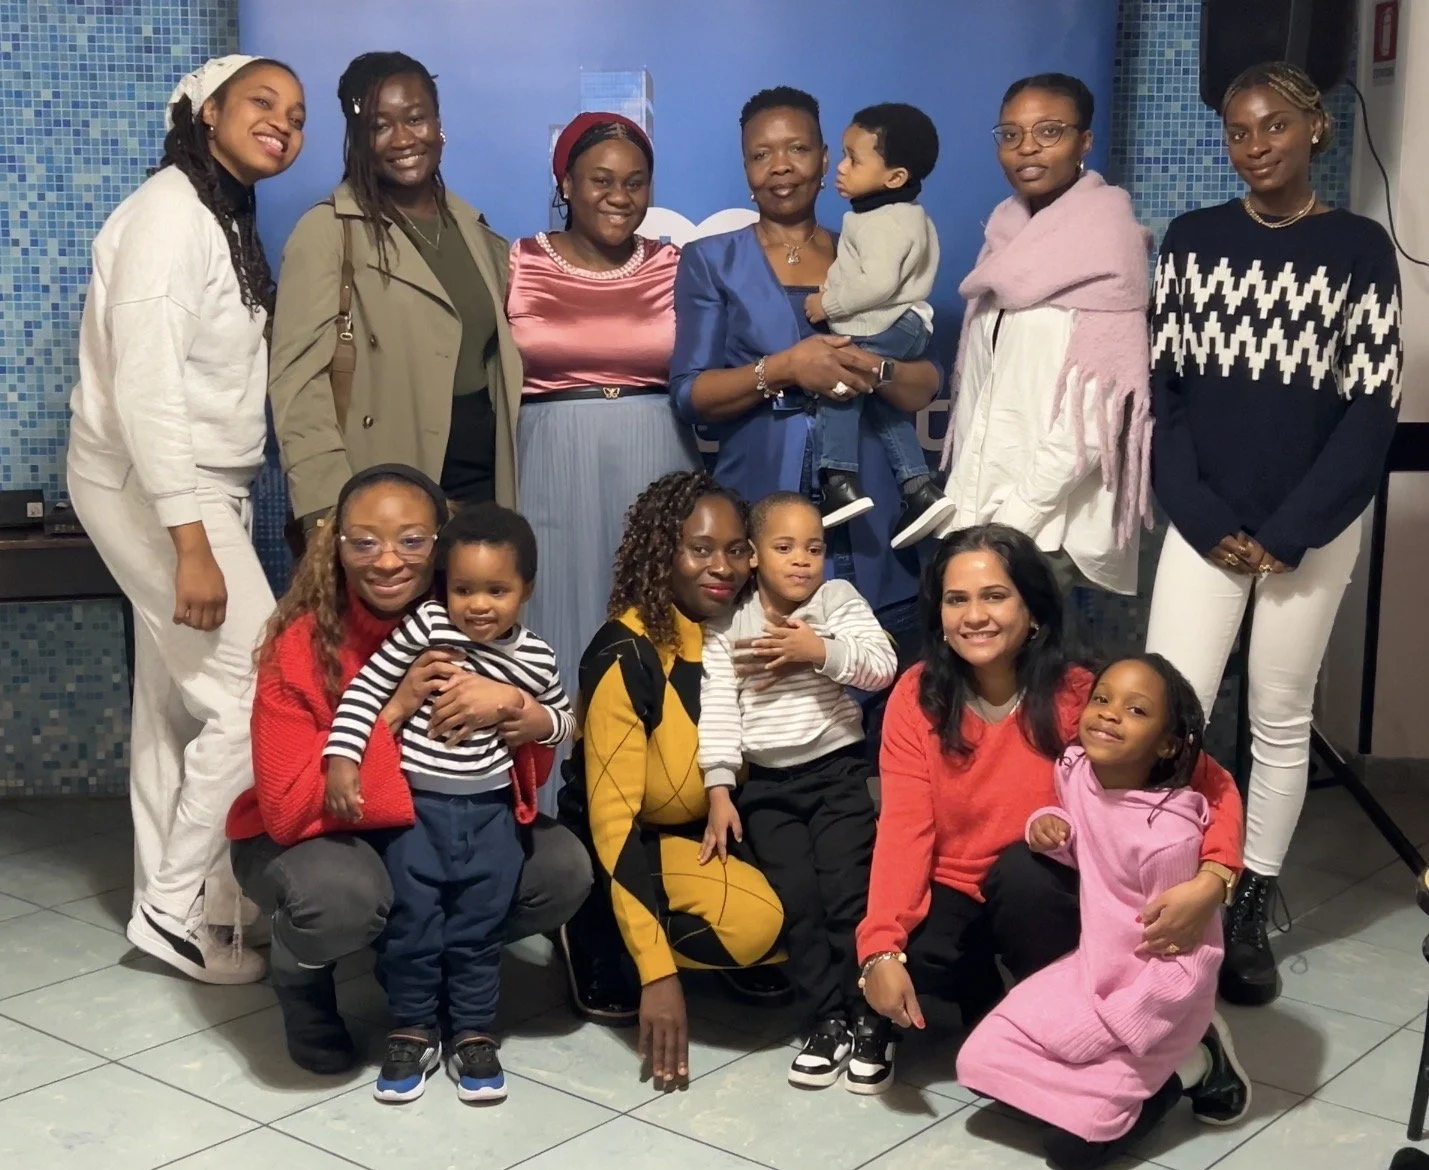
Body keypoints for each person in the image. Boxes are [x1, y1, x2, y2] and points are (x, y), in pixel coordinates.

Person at [1145, 61, 1402, 1008]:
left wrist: (1289, 532)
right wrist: (1208, 521)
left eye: (1272, 128)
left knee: (1278, 720)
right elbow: (1165, 397)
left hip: (1312, 529)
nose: (1254, 147)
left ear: (1313, 131)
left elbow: (1371, 409)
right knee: (1169, 709)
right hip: (1206, 523)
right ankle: (1162, 886)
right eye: (1238, 132)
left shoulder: (1358, 247)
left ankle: (1246, 905)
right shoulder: (1191, 238)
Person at [856, 524, 1246, 1127]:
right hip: (957, 886)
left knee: (1024, 871)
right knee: (918, 956)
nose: (974, 616)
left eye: (994, 596)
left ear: (1033, 610)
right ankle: (1002, 1003)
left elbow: (1212, 783)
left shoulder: (1084, 697)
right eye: (956, 600)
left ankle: (1180, 1046)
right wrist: (880, 946)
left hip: (1051, 890)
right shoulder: (917, 694)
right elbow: (904, 827)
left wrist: (1215, 877)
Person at [66, 55, 306, 984]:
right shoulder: (169, 214)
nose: (282, 122)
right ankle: (171, 908)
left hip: (198, 487)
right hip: (158, 486)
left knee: (171, 708)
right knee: (255, 693)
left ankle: (198, 901)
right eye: (261, 103)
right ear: (207, 114)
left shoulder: (218, 213)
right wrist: (190, 541)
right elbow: (149, 390)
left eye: (293, 113)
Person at [227, 465, 592, 1075]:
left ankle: (445, 967)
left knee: (561, 869)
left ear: (442, 546)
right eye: (364, 541)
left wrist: (518, 709)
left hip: (437, 817)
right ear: (334, 544)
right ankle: (304, 980)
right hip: (314, 833)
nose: (388, 560)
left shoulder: (473, 619)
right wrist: (395, 708)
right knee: (340, 899)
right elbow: (290, 807)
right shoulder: (301, 643)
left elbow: (526, 764)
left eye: (413, 540)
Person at [670, 86, 944, 655]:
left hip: (866, 491)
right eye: (760, 154)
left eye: (797, 148)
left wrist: (877, 369)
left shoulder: (870, 254)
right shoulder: (711, 259)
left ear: (825, 158)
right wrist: (788, 367)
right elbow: (691, 394)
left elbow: (926, 383)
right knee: (759, 676)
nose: (780, 167)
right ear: (745, 168)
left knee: (875, 666)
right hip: (760, 483)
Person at [320, 502, 572, 1104]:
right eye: (463, 588)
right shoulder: (427, 628)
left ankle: (474, 1034)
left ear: (526, 590)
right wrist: (342, 757)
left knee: (478, 931)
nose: (477, 604)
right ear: (443, 587)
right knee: (413, 926)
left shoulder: (535, 656)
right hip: (416, 813)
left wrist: (530, 715)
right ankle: (411, 1030)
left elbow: (563, 721)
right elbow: (366, 691)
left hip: (491, 817)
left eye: (497, 590)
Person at [957, 655, 1246, 1170]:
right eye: (1103, 699)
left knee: (1071, 1150)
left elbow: (1191, 962)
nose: (1110, 714)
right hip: (1087, 974)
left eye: (1136, 710)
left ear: (1168, 743)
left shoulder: (1168, 838)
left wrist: (1110, 1027)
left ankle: (1197, 1064)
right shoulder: (1075, 771)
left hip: (1152, 1005)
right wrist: (1048, 826)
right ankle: (1078, 1086)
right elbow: (1086, 842)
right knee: (978, 1064)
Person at [557, 471, 786, 1086]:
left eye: (737, 549)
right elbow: (612, 823)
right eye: (701, 548)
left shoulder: (741, 635)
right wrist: (659, 975)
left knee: (804, 899)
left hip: (698, 827)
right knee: (754, 922)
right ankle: (591, 929)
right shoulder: (623, 653)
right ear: (664, 553)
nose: (724, 567)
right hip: (622, 840)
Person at [270, 52, 524, 536]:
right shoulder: (327, 231)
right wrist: (328, 511)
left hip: (486, 488)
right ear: (359, 138)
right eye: (381, 125)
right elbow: (297, 386)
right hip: (383, 492)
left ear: (438, 123)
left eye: (416, 118)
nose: (404, 139)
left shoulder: (477, 233)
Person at [508, 112, 699, 750]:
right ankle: (556, 788)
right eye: (601, 180)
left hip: (656, 455)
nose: (620, 197)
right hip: (548, 457)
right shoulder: (518, 260)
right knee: (555, 609)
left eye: (636, 182)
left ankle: (658, 787)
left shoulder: (676, 265)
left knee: (652, 618)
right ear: (565, 181)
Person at [698, 492, 899, 1091]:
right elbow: (718, 709)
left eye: (814, 547)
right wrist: (719, 788)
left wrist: (820, 652)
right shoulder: (729, 623)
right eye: (784, 547)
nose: (802, 560)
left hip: (837, 774)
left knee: (847, 898)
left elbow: (882, 665)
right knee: (799, 906)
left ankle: (871, 1018)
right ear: (755, 556)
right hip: (768, 789)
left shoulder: (837, 601)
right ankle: (825, 1021)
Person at [932, 74, 1153, 601]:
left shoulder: (1108, 246)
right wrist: (974, 517)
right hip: (981, 516)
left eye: (1049, 131)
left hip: (1046, 532)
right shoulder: (1004, 240)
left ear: (1085, 142)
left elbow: (1098, 418)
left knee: (1040, 680)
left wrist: (1015, 525)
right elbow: (982, 393)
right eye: (1010, 134)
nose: (1026, 147)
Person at [801, 103, 948, 545]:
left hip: (892, 322)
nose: (840, 168)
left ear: (895, 178)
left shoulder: (884, 221)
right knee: (881, 402)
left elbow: (878, 283)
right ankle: (919, 487)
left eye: (853, 159)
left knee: (839, 379)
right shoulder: (899, 214)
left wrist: (827, 303)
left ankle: (838, 482)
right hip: (903, 323)